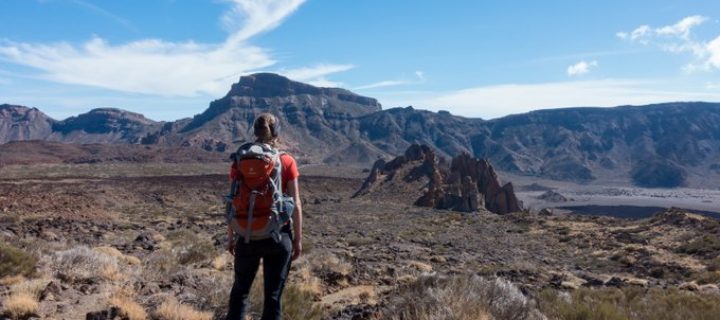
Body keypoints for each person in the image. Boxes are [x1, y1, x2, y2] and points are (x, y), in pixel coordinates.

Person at [226, 113, 303, 320]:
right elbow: (296, 203)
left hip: (246, 235)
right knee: (273, 297)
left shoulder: (240, 160)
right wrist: (297, 240)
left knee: (240, 292)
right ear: (276, 132)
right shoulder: (286, 161)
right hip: (278, 237)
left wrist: (232, 236)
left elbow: (233, 200)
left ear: (255, 131)